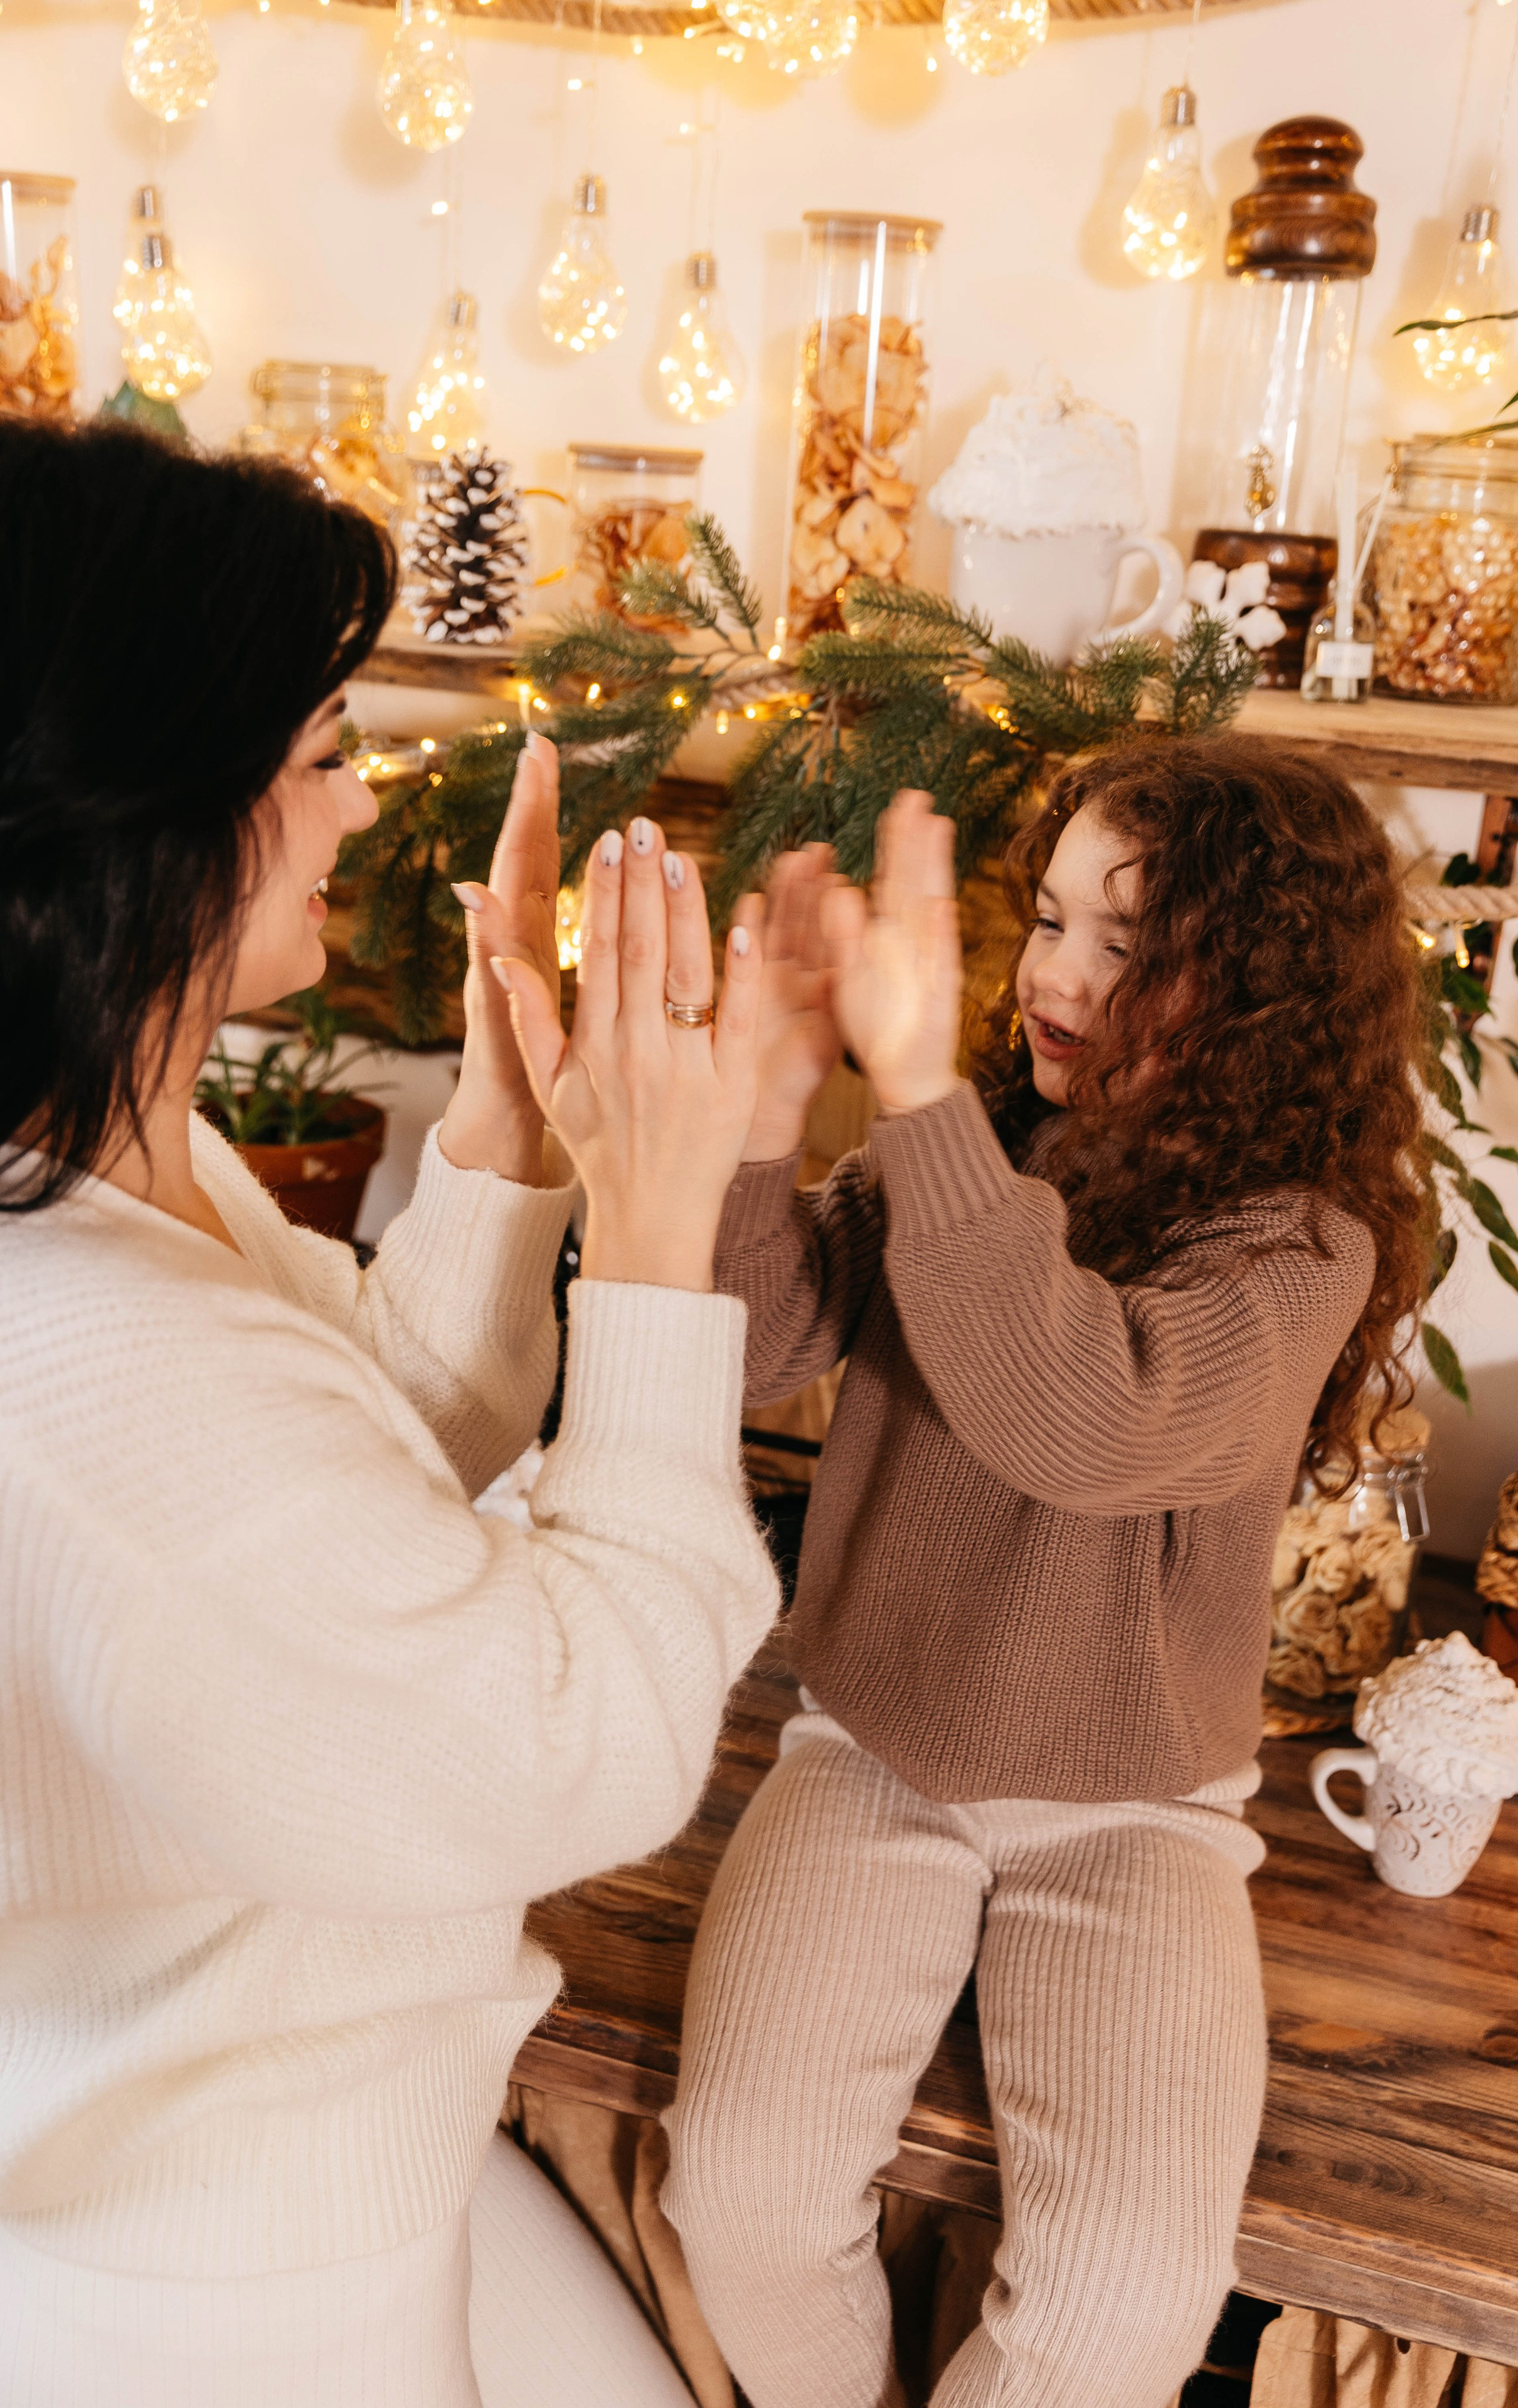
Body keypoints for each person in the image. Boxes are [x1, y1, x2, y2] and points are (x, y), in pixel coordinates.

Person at [0, 418, 777, 2407]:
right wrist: (664, 1234)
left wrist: (511, 1147)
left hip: (243, 2214)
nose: (365, 808)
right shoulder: (98, 1356)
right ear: (168, 805)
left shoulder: (110, 1184)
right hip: (218, 2314)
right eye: (333, 750)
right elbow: (566, 1736)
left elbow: (336, 1501)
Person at [663, 741, 1431, 2408]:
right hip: (872, 1750)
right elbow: (753, 1336)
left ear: (1265, 988)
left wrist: (927, 1099)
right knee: (734, 2193)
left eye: (1128, 945)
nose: (1059, 978)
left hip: (1133, 1805)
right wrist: (775, 1105)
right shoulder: (981, 1148)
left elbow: (1083, 1415)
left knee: (1121, 2309)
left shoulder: (1298, 1246)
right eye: (1054, 921)